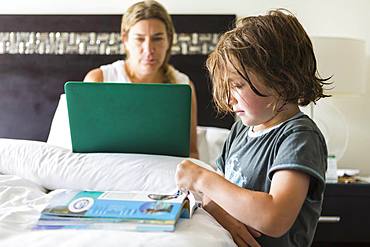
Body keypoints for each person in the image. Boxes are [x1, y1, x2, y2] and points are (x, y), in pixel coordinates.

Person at [175, 9, 330, 247]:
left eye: (237, 85)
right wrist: (228, 219)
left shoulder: (298, 136)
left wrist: (201, 177)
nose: (229, 100)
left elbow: (275, 217)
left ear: (280, 78)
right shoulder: (239, 132)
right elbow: (211, 200)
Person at [83, 0, 199, 159]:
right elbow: (86, 150)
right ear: (125, 40)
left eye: (157, 39)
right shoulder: (98, 80)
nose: (149, 49)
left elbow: (191, 153)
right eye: (139, 39)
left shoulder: (183, 86)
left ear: (169, 41)